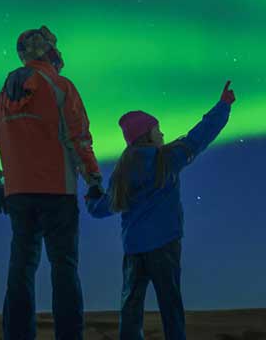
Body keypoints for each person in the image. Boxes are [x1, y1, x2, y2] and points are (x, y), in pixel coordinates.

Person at [0, 26, 104, 340]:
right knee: (64, 267)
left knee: (21, 269)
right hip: (58, 192)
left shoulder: (3, 97)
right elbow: (78, 139)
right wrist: (93, 180)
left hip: (19, 195)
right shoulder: (61, 87)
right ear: (49, 51)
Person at [87, 81, 236, 340]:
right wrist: (223, 106)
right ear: (147, 134)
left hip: (134, 250)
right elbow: (200, 136)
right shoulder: (166, 159)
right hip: (165, 245)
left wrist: (91, 196)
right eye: (157, 129)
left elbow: (101, 209)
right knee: (171, 306)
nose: (163, 134)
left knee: (131, 309)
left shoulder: (121, 173)